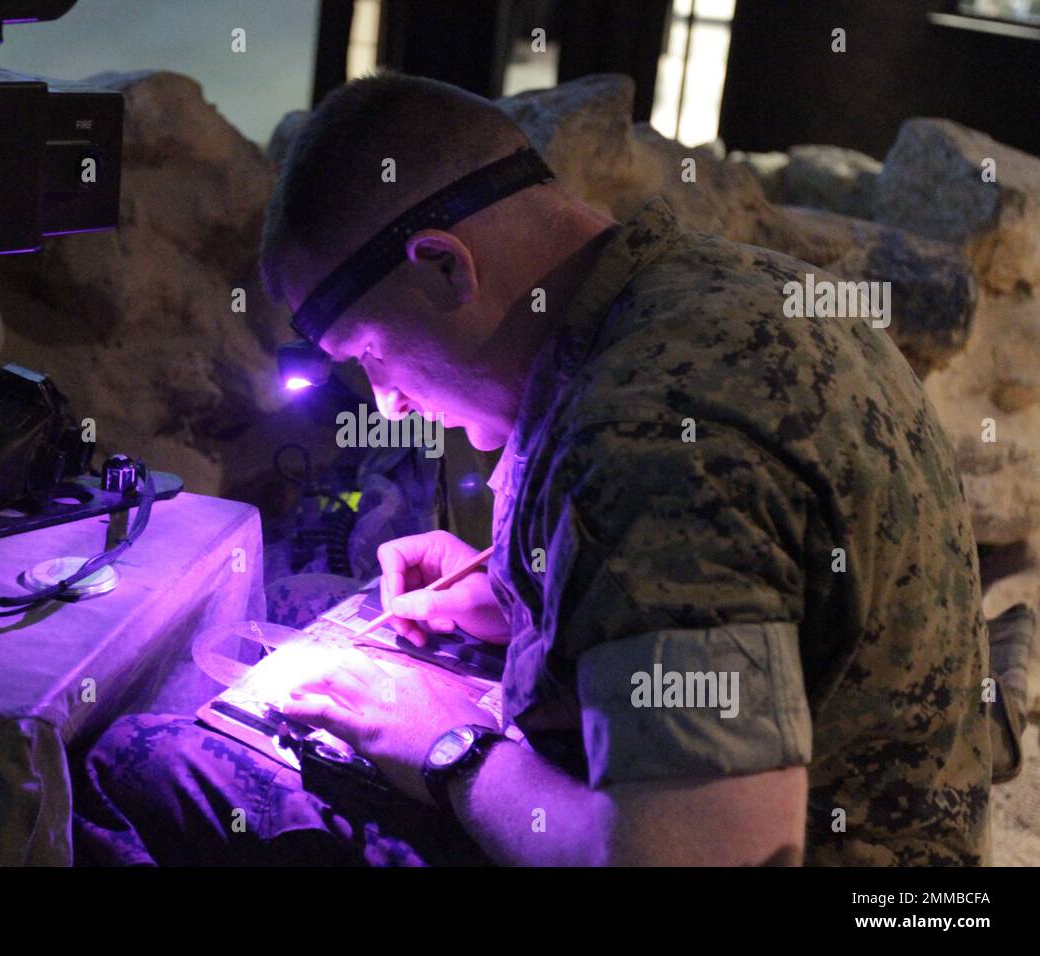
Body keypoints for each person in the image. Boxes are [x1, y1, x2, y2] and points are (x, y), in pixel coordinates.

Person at [73, 73, 1003, 866]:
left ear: (442, 267)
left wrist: (440, 747)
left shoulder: (645, 436)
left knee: (143, 764)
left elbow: (701, 860)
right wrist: (529, 594)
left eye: (368, 353)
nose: (387, 402)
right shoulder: (726, 292)